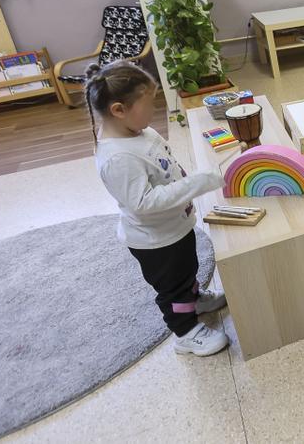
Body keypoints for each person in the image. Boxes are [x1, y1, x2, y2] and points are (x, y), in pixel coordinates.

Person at [89, 61, 230, 356]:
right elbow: (144, 203)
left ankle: (195, 298)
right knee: (172, 287)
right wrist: (197, 184)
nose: (154, 110)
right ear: (118, 110)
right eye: (149, 103)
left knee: (188, 268)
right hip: (155, 241)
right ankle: (186, 331)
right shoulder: (117, 159)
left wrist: (185, 183)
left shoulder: (142, 132)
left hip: (175, 226)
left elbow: (166, 165)